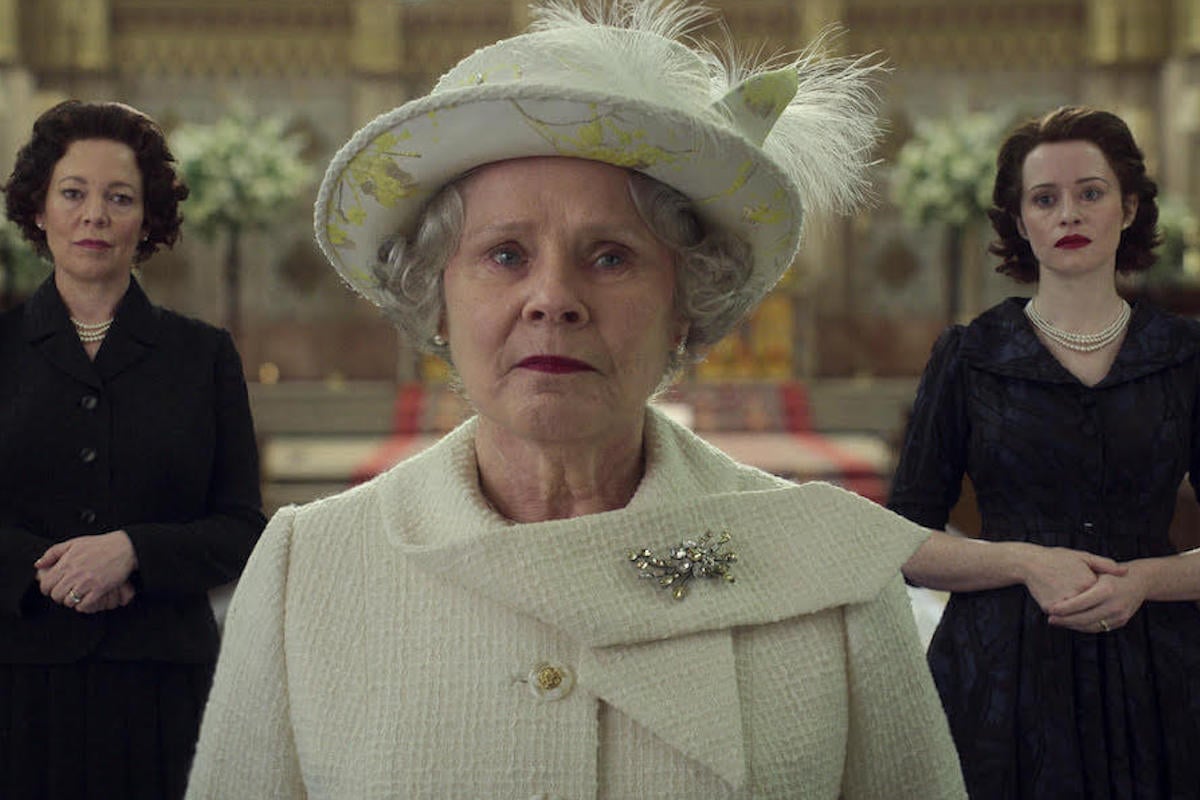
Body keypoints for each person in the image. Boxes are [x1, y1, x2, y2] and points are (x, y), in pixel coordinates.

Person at [187, 2, 965, 797]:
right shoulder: (304, 570)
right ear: (437, 297)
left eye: (611, 255)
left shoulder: (834, 566)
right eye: (504, 253)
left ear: (685, 302)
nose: (552, 298)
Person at [888, 105, 1200, 799]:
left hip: (1160, 673)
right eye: (1045, 198)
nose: (1068, 214)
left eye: (1090, 192)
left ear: (1129, 208)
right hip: (998, 676)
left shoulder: (1187, 356)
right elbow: (903, 542)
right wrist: (1023, 561)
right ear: (1019, 221)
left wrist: (1148, 579)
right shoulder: (969, 356)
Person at [0, 100, 266, 799]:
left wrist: (134, 552)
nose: (95, 215)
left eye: (120, 197)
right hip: (18, 682)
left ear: (147, 220)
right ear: (38, 209)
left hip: (166, 687)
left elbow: (242, 528)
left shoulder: (203, 355)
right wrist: (46, 571)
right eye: (73, 193)